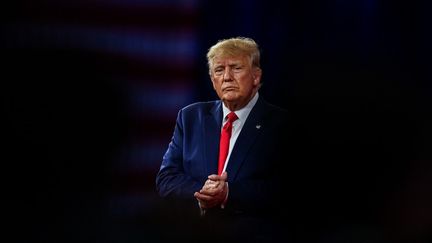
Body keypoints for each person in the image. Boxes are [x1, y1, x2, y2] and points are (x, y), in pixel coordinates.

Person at [155, 37, 293, 242]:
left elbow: (288, 189)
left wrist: (229, 193)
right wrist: (204, 192)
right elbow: (166, 179)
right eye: (219, 70)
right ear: (212, 80)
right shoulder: (191, 117)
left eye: (236, 68)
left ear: (256, 76)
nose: (227, 77)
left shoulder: (282, 124)